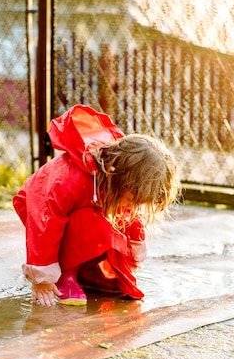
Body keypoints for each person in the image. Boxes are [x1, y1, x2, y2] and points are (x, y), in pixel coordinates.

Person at [12, 104, 180, 306]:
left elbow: (130, 214)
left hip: (81, 209)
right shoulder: (69, 180)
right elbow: (44, 224)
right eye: (133, 200)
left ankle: (85, 271)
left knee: (110, 220)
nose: (134, 207)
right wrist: (42, 277)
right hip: (39, 208)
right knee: (95, 225)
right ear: (113, 173)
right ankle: (66, 274)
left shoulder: (119, 179)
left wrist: (132, 251)